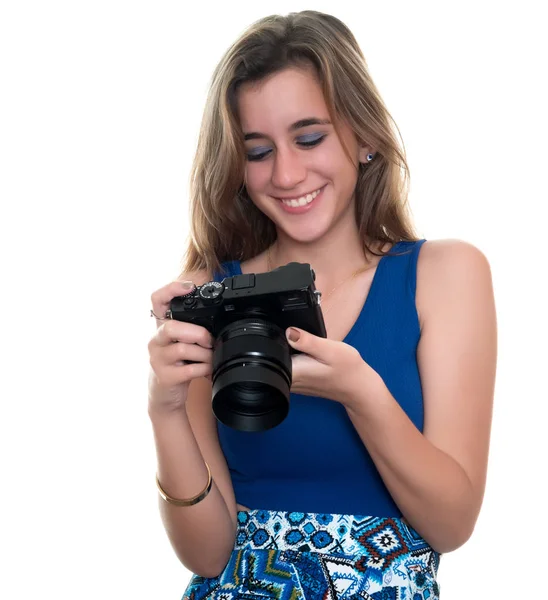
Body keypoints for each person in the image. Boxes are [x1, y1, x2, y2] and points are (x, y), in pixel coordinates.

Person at [147, 10, 497, 599]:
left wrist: (362, 393)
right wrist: (165, 408)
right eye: (258, 151)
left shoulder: (444, 275)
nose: (286, 173)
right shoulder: (213, 292)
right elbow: (208, 554)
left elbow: (452, 524)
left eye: (309, 138)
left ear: (362, 136)